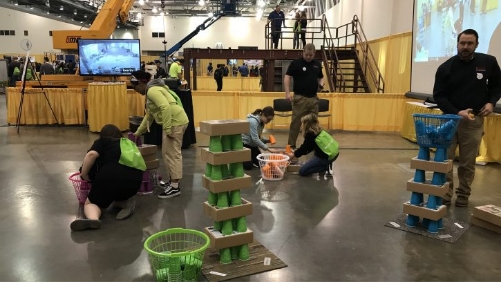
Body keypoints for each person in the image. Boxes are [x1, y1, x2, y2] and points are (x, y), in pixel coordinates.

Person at [433, 29, 501, 207]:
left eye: (469, 43)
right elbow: (439, 96)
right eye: (462, 43)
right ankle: (445, 194)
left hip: (473, 122)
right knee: (445, 160)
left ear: (476, 45)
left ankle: (463, 195)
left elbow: (497, 86)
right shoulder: (445, 68)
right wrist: (457, 113)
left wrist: (491, 103)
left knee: (467, 163)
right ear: (457, 44)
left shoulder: (488, 62)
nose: (465, 47)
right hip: (449, 120)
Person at [70, 124, 143, 231]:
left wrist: (84, 174)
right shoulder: (129, 144)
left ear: (103, 135)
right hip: (135, 181)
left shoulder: (103, 141)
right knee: (115, 196)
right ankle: (126, 203)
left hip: (110, 176)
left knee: (91, 203)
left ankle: (93, 219)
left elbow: (91, 155)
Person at [131, 70, 189, 199]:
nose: (135, 90)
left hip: (175, 122)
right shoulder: (153, 90)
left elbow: (165, 107)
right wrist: (138, 133)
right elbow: (149, 116)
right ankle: (173, 181)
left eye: (134, 87)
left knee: (172, 154)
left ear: (140, 83)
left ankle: (175, 187)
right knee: (167, 153)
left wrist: (167, 128)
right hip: (175, 121)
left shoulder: (152, 91)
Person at [284, 43, 324, 148]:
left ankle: (312, 145)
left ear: (314, 54)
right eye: (306, 54)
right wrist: (287, 93)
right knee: (295, 124)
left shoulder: (317, 64)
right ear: (303, 52)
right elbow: (287, 77)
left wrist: (321, 84)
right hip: (300, 99)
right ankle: (291, 146)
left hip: (313, 99)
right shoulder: (296, 63)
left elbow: (321, 77)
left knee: (313, 124)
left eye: (310, 55)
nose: (308, 57)